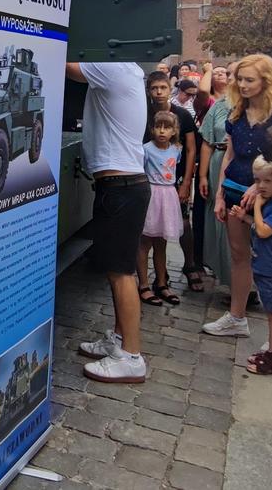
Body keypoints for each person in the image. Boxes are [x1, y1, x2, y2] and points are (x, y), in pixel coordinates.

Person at [66, 62, 149, 384]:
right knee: (118, 270)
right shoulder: (128, 69)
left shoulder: (112, 67)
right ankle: (118, 338)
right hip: (122, 186)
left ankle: (131, 356)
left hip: (120, 187)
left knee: (121, 274)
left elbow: (64, 63)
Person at [203, 54, 272, 338]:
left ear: (265, 81)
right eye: (239, 79)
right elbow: (230, 155)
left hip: (269, 196)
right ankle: (237, 316)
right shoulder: (236, 112)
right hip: (234, 190)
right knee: (239, 256)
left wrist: (263, 184)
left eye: (249, 80)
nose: (242, 85)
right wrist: (220, 193)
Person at [235, 157, 272, 374]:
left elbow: (263, 231)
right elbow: (260, 227)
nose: (261, 186)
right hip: (263, 265)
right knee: (271, 312)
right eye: (257, 181)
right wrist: (245, 217)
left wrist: (257, 208)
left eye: (267, 181)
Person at [146, 71, 202, 292]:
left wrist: (187, 182)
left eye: (163, 88)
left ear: (170, 89)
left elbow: (190, 148)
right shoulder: (144, 114)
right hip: (150, 179)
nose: (159, 92)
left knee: (183, 222)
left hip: (174, 178)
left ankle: (189, 265)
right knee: (151, 227)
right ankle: (161, 274)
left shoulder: (182, 116)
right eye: (154, 88)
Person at [137, 110, 183, 307]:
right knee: (145, 241)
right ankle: (144, 284)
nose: (162, 131)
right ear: (152, 129)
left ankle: (162, 282)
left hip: (168, 195)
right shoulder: (146, 149)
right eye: (158, 127)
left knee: (161, 242)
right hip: (152, 195)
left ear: (174, 131)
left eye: (167, 127)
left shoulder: (176, 150)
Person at [199, 63, 233, 286]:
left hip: (246, 167)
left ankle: (246, 284)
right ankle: (225, 275)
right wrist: (201, 175)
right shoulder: (219, 105)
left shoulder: (261, 106)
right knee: (219, 219)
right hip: (218, 160)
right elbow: (207, 142)